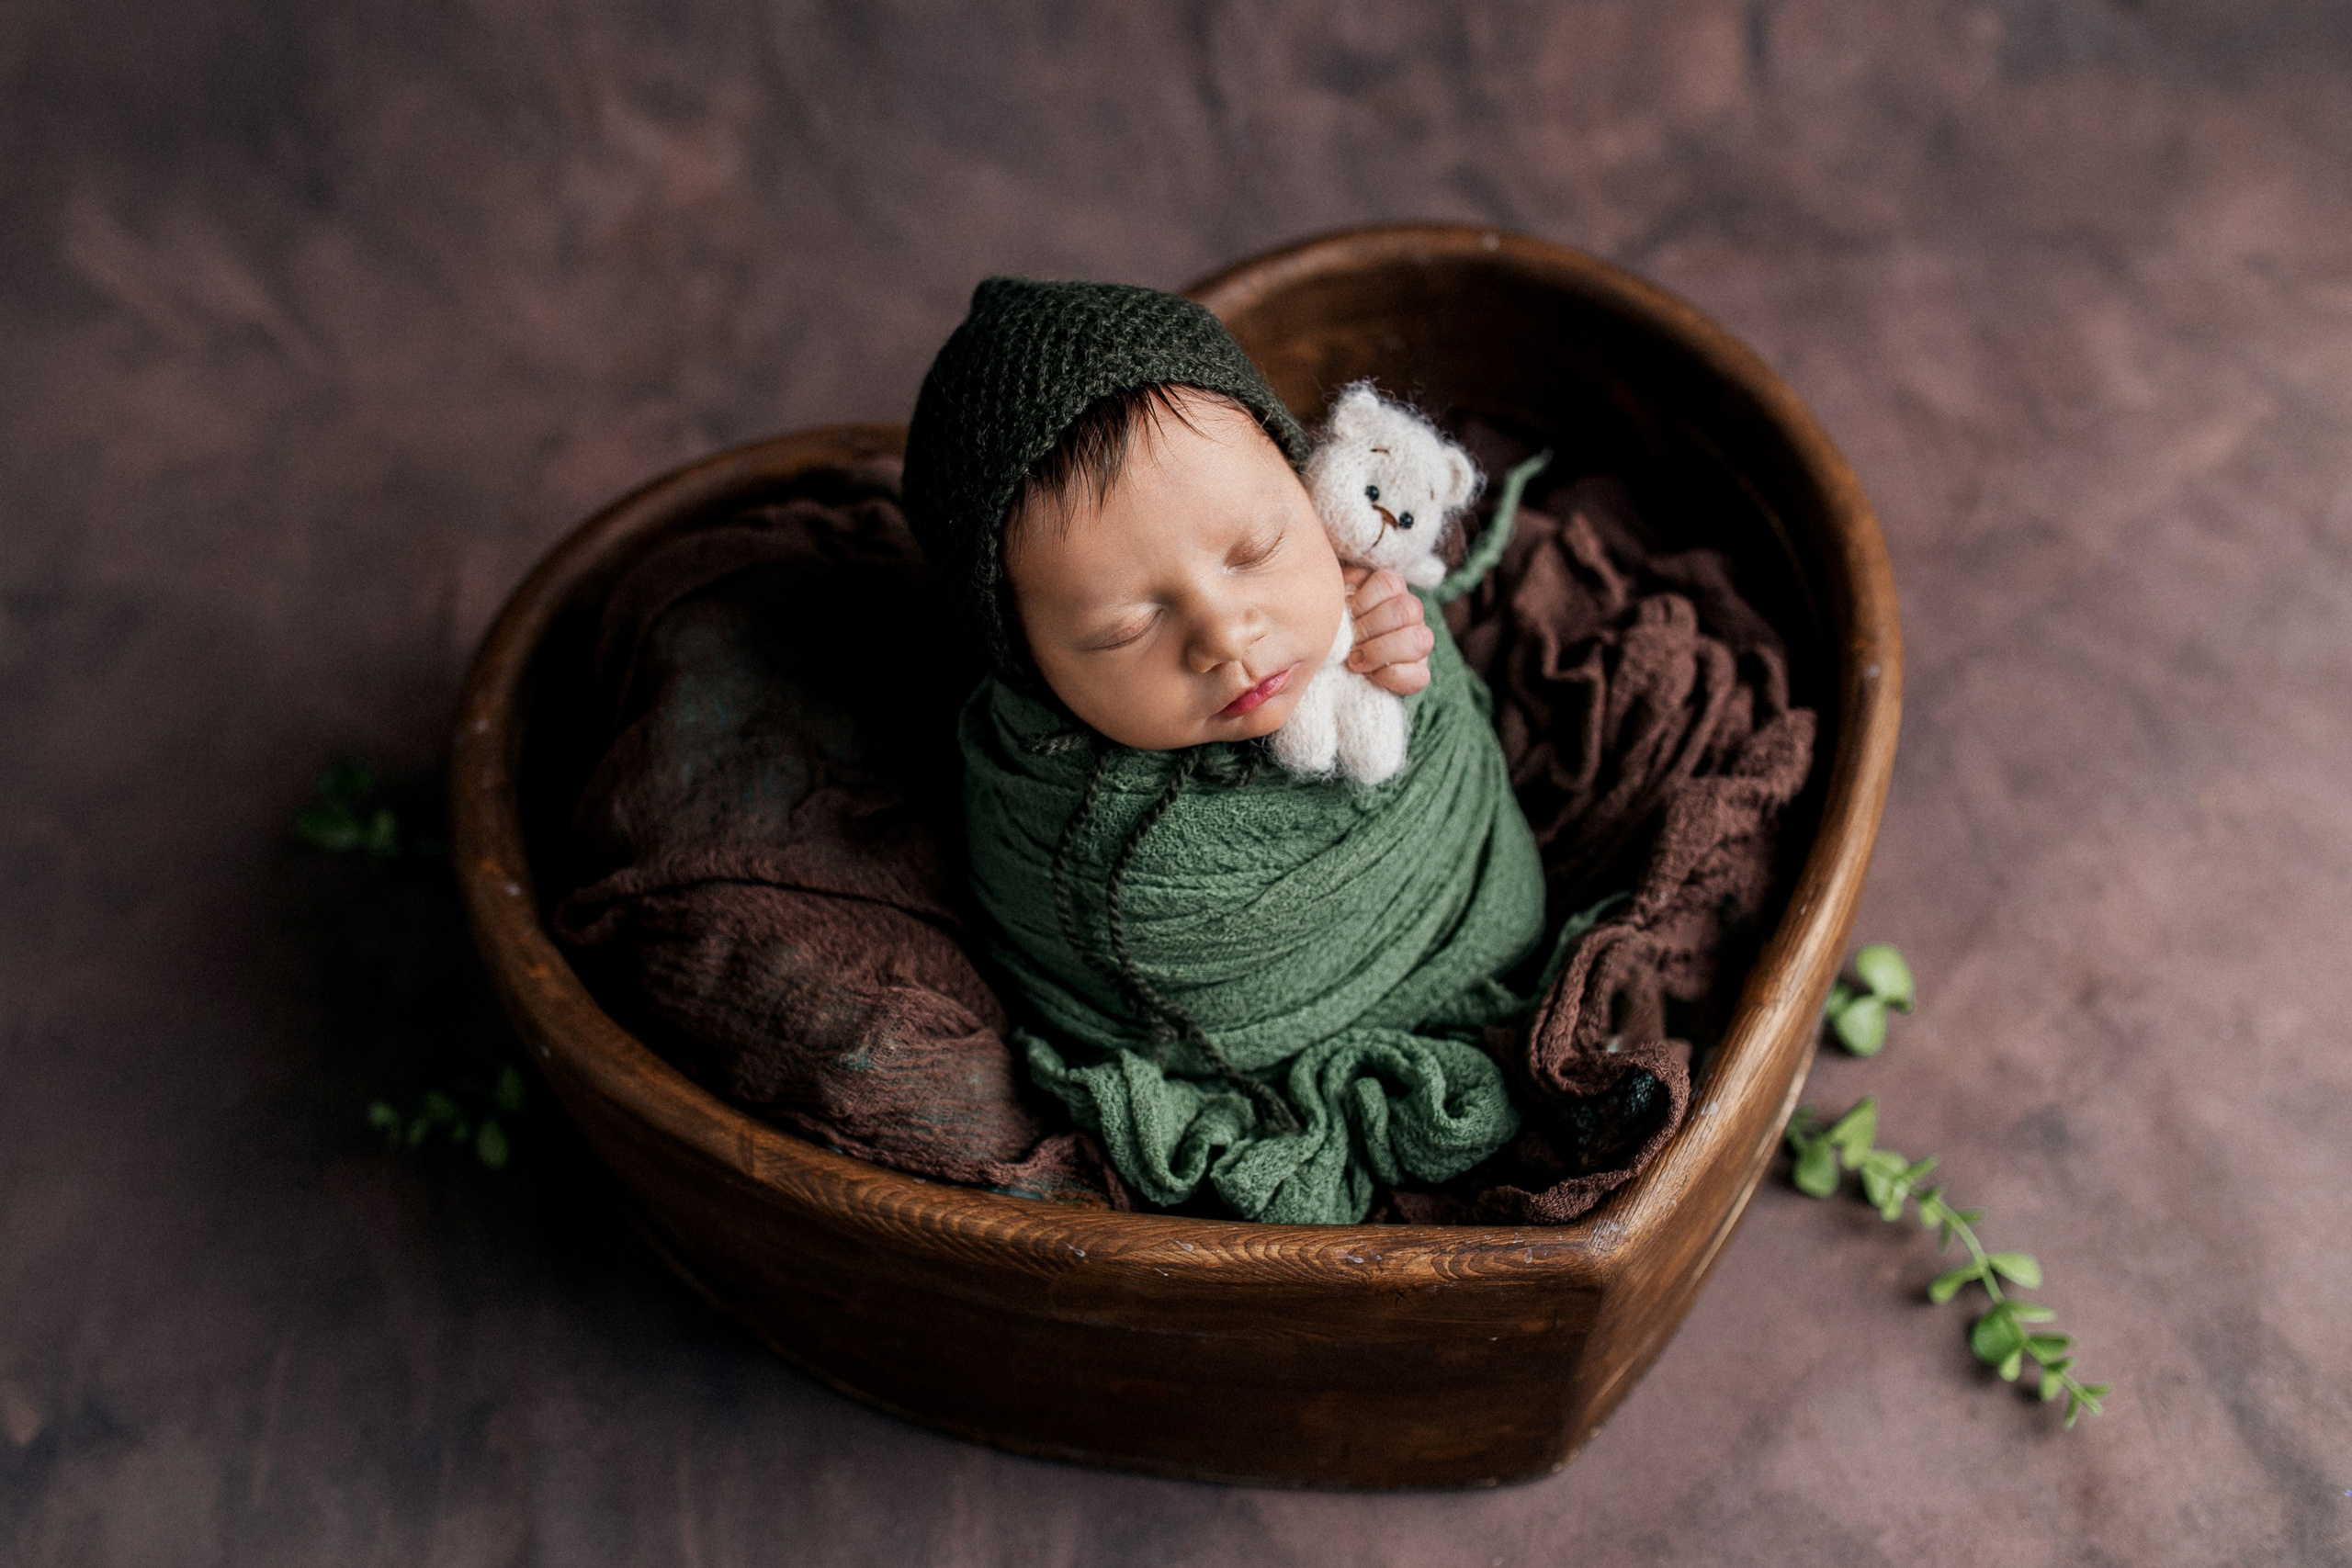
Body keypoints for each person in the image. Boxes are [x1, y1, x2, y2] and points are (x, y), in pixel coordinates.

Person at [901, 277, 1555, 1224]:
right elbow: (1080, 958)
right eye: (1127, 628)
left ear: (1305, 486)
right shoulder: (1049, 810)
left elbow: (1436, 720)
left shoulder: (1352, 581)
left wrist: (1399, 640)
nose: (1227, 637)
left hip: (1460, 910)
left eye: (1255, 549)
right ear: (1029, 665)